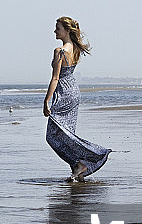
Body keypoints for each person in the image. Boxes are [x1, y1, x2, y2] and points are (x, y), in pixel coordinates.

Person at [43, 17, 111, 182]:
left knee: (52, 135)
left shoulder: (60, 51)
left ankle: (89, 156)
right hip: (73, 91)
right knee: (67, 132)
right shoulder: (75, 48)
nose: (54, 31)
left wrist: (46, 101)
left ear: (66, 31)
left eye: (57, 28)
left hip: (63, 93)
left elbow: (55, 79)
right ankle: (77, 166)